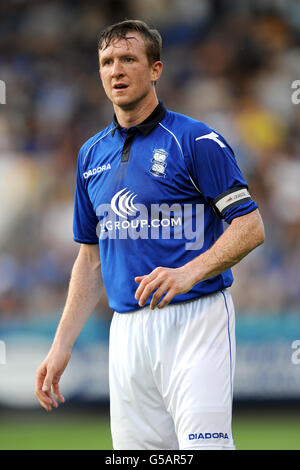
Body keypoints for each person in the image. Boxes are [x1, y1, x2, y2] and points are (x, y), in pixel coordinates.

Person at [35, 19, 265, 450]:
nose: (116, 70)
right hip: (126, 333)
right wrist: (61, 345)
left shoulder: (195, 140)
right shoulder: (90, 155)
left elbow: (250, 226)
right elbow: (90, 259)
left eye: (128, 59)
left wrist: (187, 273)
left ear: (155, 69)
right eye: (106, 62)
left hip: (197, 320)